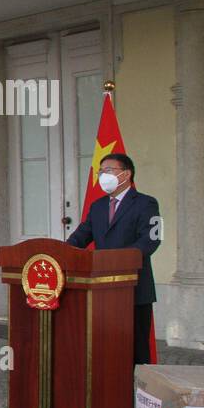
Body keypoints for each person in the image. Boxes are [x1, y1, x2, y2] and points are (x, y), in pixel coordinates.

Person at [66, 153, 160, 364]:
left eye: (108, 171)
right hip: (102, 289)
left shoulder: (146, 203)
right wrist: (63, 251)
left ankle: (136, 394)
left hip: (134, 289)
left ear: (126, 174)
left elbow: (151, 240)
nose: (102, 176)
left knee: (136, 349)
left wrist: (119, 260)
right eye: (100, 172)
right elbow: (82, 235)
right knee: (107, 346)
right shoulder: (98, 206)